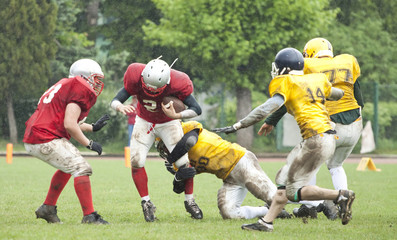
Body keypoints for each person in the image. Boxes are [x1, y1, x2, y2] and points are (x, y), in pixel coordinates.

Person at [212, 47, 355, 232]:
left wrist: (238, 125)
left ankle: (340, 196)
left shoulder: (286, 81)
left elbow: (266, 108)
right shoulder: (317, 78)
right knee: (283, 179)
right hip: (325, 137)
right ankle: (266, 222)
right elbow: (338, 94)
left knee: (291, 191)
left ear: (284, 69)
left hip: (316, 139)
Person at [261, 38, 363, 220]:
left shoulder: (307, 66)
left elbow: (290, 97)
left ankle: (311, 206)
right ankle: (343, 204)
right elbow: (358, 96)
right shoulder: (346, 61)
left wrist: (271, 120)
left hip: (328, 125)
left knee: (309, 165)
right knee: (336, 166)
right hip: (355, 123)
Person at [110, 56, 203, 222]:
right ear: (143, 77)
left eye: (157, 88)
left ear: (167, 82)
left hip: (169, 123)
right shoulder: (135, 74)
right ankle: (146, 202)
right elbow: (115, 100)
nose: (152, 91)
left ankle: (190, 201)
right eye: (148, 86)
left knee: (184, 164)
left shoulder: (178, 81)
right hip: (144, 121)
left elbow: (197, 109)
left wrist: (178, 115)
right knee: (136, 161)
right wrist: (120, 106)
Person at [23, 59, 110, 224]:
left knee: (67, 167)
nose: (98, 84)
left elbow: (64, 118)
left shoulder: (63, 84)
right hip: (44, 137)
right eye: (96, 79)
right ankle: (90, 216)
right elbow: (70, 124)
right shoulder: (79, 88)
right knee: (82, 168)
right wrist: (89, 143)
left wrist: (91, 127)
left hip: (37, 134)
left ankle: (47, 208)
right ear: (84, 77)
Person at [156, 120, 292, 220]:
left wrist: (173, 158)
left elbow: (189, 142)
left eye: (164, 143)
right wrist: (178, 177)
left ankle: (311, 203)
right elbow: (178, 189)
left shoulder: (185, 128)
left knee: (275, 197)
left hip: (241, 161)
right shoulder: (180, 160)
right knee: (229, 213)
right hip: (229, 179)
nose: (165, 148)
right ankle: (266, 211)